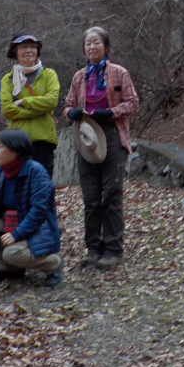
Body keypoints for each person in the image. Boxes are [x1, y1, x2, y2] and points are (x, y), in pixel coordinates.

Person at [63, 26, 139, 269]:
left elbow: (133, 103)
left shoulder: (119, 72)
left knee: (111, 194)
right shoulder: (79, 76)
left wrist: (111, 112)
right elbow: (66, 106)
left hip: (113, 134)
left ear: (106, 46)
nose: (92, 47)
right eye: (88, 43)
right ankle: (94, 249)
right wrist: (71, 113)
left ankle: (114, 250)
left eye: (96, 42)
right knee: (91, 197)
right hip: (86, 135)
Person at [0, 130, 63, 287]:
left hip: (38, 230)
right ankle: (10, 269)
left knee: (11, 253)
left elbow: (39, 211)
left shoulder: (36, 172)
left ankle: (53, 264)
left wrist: (16, 234)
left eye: (1, 147)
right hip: (13, 225)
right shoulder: (0, 174)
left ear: (16, 151)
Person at [0, 32, 60, 177]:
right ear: (15, 52)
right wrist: (38, 110)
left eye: (33, 47)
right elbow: (8, 110)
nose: (29, 50)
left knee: (43, 185)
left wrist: (23, 102)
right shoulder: (8, 79)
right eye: (23, 47)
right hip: (17, 140)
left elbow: (52, 101)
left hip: (43, 139)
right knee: (18, 185)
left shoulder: (48, 74)